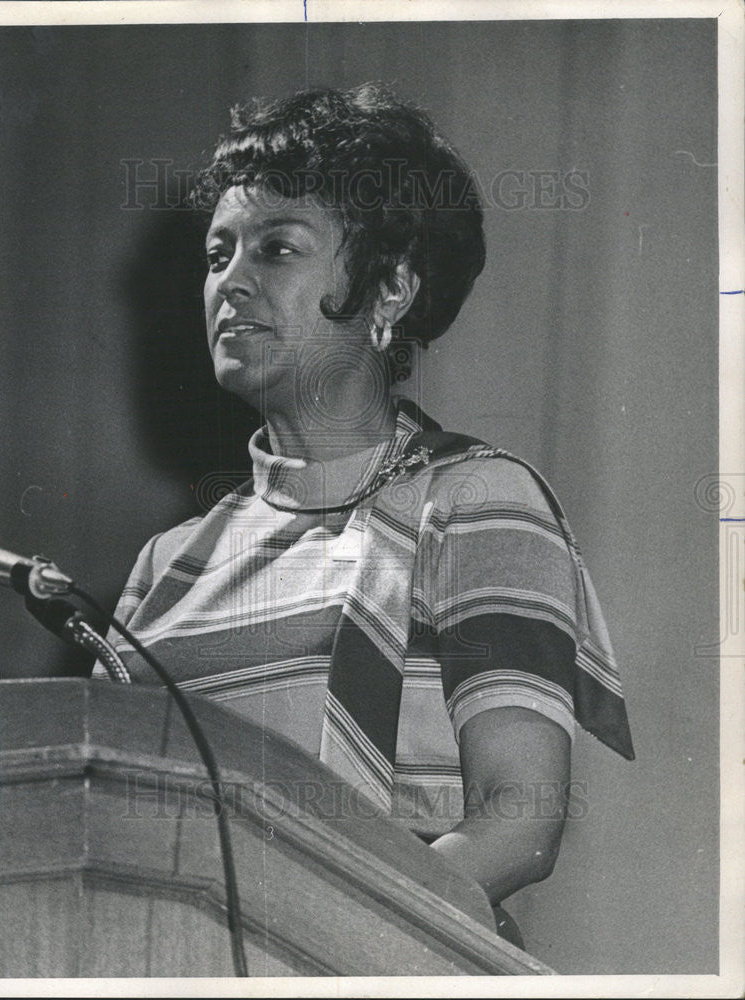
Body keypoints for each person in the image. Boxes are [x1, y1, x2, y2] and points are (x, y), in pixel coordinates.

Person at [101, 83, 634, 933]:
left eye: (276, 249)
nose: (229, 284)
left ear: (389, 290)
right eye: (216, 255)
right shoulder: (167, 564)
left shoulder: (474, 501)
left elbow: (519, 823)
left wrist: (314, 932)